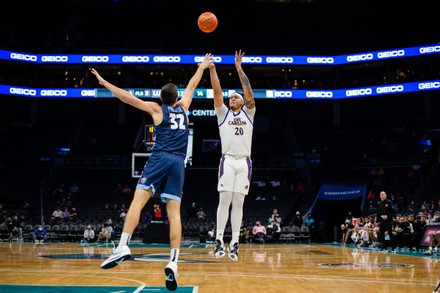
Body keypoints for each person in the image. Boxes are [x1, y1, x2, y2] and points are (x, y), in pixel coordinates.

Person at [90, 53, 212, 291]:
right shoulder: (184, 108)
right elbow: (193, 85)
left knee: (138, 200)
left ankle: (123, 245)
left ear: (161, 97)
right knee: (174, 212)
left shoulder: (158, 110)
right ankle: (174, 262)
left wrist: (105, 83)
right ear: (176, 97)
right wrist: (203, 66)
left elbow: (126, 97)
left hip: (160, 158)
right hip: (179, 162)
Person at [209, 50, 255, 261]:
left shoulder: (249, 112)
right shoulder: (222, 114)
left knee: (238, 203)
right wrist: (212, 69)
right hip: (227, 160)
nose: (231, 99)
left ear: (242, 102)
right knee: (224, 199)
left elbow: (248, 91)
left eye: (234, 97)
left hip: (244, 162)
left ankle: (234, 243)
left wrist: (238, 68)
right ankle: (219, 240)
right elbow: (217, 90)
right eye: (230, 98)